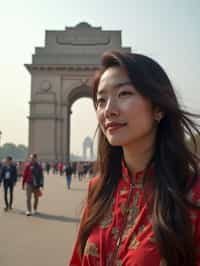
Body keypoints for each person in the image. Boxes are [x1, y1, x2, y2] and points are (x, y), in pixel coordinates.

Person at [69, 51, 200, 266]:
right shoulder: (98, 188)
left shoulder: (193, 193)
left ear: (158, 108)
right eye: (101, 101)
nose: (108, 110)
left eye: (124, 94)